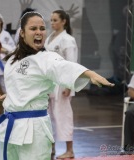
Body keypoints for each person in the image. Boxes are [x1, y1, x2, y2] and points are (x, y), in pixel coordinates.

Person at [0, 11, 114, 160]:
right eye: (33, 28)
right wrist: (11, 96)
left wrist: (90, 74)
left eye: (42, 28)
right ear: (22, 33)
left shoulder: (47, 58)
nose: (39, 32)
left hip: (34, 130)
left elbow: (64, 67)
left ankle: (69, 149)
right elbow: (22, 84)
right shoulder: (13, 59)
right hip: (11, 128)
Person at [44, 9, 78, 159]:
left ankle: (69, 150)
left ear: (64, 21)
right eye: (51, 20)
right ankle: (50, 148)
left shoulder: (68, 40)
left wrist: (69, 85)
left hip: (62, 83)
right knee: (48, 117)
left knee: (63, 116)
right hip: (48, 82)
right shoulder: (49, 38)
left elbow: (72, 64)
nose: (52, 23)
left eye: (55, 20)